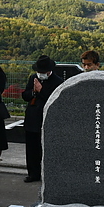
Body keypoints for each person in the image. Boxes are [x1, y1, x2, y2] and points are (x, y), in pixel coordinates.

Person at [21, 55, 63, 183]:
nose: (40, 74)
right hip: (32, 117)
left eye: (43, 72)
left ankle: (48, 174)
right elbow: (25, 95)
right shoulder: (33, 78)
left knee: (45, 148)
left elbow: (55, 100)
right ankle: (33, 173)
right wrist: (33, 92)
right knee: (32, 148)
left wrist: (41, 90)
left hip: (47, 118)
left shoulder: (58, 81)